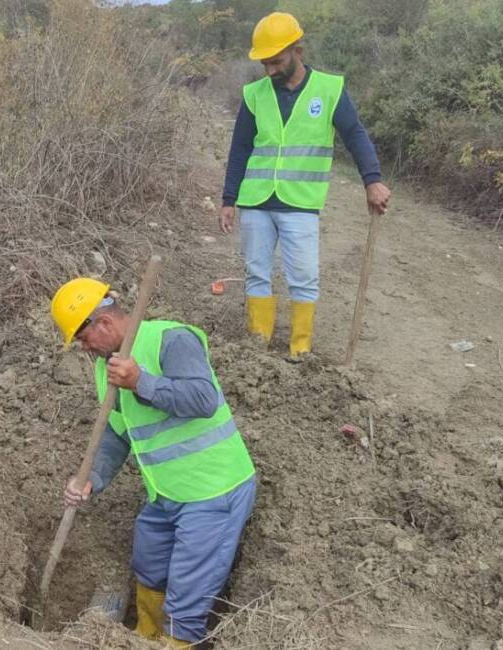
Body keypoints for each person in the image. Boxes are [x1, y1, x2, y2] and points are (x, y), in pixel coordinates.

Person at [50, 277, 257, 648]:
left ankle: (177, 642)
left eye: (83, 339)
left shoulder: (171, 340)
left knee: (187, 596)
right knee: (149, 566)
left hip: (214, 491)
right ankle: (145, 637)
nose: (84, 348)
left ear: (103, 323)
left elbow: (203, 399)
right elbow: (117, 433)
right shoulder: (106, 368)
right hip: (165, 493)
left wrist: (141, 382)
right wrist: (92, 477)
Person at [218, 12, 391, 359]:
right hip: (255, 201)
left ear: (298, 51)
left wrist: (372, 180)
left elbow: (355, 135)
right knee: (256, 274)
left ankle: (300, 350)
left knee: (303, 278)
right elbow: (239, 149)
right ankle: (257, 344)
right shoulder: (254, 95)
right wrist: (228, 199)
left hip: (300, 204)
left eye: (276, 62)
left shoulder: (329, 90)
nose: (270, 70)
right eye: (265, 63)